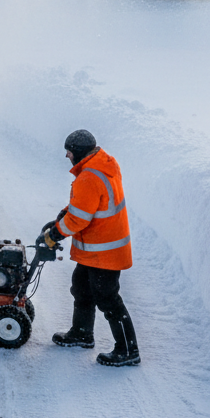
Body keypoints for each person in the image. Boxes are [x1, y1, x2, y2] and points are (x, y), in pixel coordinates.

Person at [43, 129, 140, 367]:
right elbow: (86, 205)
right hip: (97, 248)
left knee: (108, 299)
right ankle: (82, 333)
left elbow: (78, 220)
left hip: (103, 251)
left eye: (69, 152)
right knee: (82, 288)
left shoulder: (89, 177)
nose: (67, 156)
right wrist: (66, 213)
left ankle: (128, 351)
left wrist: (55, 233)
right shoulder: (103, 164)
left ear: (78, 153)